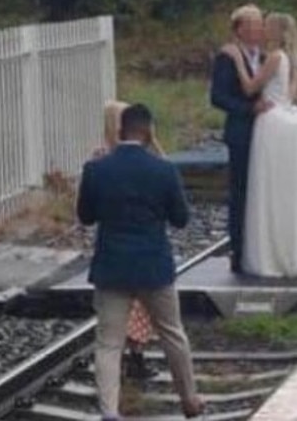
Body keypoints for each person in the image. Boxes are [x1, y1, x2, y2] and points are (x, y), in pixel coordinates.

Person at [77, 104, 205, 421]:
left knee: (108, 342)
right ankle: (189, 401)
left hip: (112, 267)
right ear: (148, 131)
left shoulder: (97, 169)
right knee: (172, 333)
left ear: (121, 130)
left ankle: (109, 411)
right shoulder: (163, 170)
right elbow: (180, 219)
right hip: (153, 267)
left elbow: (86, 216)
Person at [228, 12, 297, 278]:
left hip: (269, 124)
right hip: (284, 119)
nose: (262, 30)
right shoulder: (289, 59)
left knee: (267, 188)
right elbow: (287, 95)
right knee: (281, 189)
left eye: (266, 26)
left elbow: (249, 88)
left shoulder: (275, 57)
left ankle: (269, 253)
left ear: (277, 32)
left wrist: (237, 60)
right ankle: (286, 250)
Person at [94, 100, 162, 381]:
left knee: (123, 309)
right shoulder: (145, 160)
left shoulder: (102, 162)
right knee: (137, 306)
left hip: (113, 246)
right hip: (141, 247)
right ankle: (134, 355)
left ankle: (129, 357)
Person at [210, 4, 273, 273]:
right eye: (253, 25)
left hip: (269, 132)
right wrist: (248, 109)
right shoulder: (228, 57)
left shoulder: (268, 56)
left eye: (260, 24)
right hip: (242, 132)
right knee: (241, 190)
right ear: (239, 29)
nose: (259, 29)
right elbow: (218, 96)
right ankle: (239, 249)